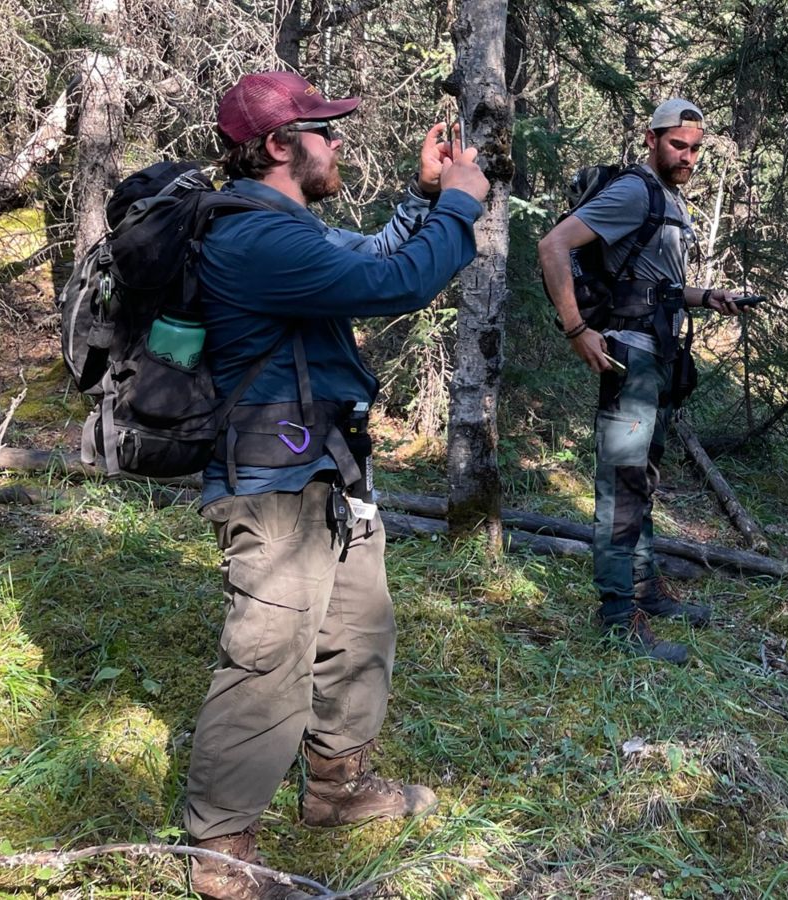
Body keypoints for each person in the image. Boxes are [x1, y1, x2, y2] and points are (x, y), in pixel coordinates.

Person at [183, 70, 489, 900]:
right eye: (326, 129)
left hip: (327, 473)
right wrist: (461, 203)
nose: (339, 140)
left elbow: (373, 255)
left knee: (360, 634)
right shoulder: (254, 239)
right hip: (272, 484)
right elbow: (395, 284)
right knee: (268, 663)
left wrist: (422, 198)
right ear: (280, 146)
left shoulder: (288, 227)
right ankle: (221, 856)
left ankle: (336, 791)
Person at [537, 98, 753, 665]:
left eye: (696, 147)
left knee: (643, 479)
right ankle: (616, 616)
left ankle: (646, 593)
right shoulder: (635, 191)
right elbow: (552, 245)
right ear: (653, 139)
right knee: (622, 486)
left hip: (658, 355)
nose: (688, 156)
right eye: (678, 145)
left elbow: (651, 286)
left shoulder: (666, 200)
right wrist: (577, 328)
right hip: (628, 357)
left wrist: (707, 297)